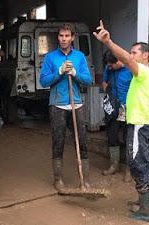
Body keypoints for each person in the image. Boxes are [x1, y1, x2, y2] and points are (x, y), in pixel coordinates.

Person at [94, 20, 149, 222]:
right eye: (131, 53)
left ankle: (146, 211)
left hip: (140, 125)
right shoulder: (148, 76)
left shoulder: (143, 72)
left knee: (138, 164)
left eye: (134, 53)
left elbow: (126, 60)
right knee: (141, 162)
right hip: (144, 124)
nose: (131, 56)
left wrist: (108, 42)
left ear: (145, 56)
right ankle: (144, 202)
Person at [40, 23, 93, 191]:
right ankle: (58, 179)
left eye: (67, 36)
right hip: (57, 104)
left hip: (76, 104)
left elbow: (88, 80)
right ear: (58, 37)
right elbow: (44, 81)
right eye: (61, 36)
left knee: (82, 141)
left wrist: (75, 73)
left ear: (72, 38)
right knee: (58, 141)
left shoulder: (79, 57)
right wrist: (60, 72)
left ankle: (84, 179)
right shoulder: (50, 57)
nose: (64, 39)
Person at [101, 51, 133, 179]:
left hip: (128, 108)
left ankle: (128, 170)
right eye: (107, 65)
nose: (108, 68)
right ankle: (114, 165)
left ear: (119, 61)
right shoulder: (109, 67)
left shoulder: (131, 68)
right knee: (112, 136)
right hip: (113, 108)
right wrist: (108, 93)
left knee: (128, 139)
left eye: (111, 65)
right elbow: (104, 81)